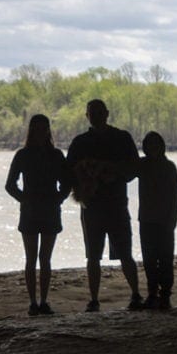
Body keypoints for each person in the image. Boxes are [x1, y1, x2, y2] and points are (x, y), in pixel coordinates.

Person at [67, 99, 142, 311]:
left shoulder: (122, 138)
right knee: (93, 255)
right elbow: (69, 171)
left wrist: (111, 171)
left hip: (117, 205)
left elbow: (133, 170)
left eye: (100, 112)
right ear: (87, 116)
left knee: (125, 252)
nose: (97, 115)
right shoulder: (80, 142)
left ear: (107, 113)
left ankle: (136, 294)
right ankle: (94, 299)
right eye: (93, 112)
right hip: (91, 206)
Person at [5, 114, 71, 316]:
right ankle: (34, 302)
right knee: (33, 258)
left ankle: (42, 301)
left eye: (44, 128)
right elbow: (9, 185)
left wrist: (56, 199)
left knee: (44, 259)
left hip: (44, 211)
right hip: (35, 211)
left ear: (48, 131)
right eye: (38, 128)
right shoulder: (26, 155)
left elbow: (67, 184)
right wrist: (26, 200)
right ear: (32, 131)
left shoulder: (50, 155)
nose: (42, 132)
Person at [138, 131, 177, 310]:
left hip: (164, 220)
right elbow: (124, 172)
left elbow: (175, 196)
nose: (153, 148)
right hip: (147, 219)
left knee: (165, 259)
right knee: (149, 260)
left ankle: (165, 295)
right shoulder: (142, 165)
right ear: (145, 148)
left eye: (156, 145)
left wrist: (172, 220)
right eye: (149, 145)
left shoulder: (169, 167)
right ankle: (152, 293)